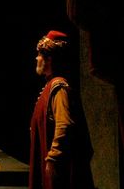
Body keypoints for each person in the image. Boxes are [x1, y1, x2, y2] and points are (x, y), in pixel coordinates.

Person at [29, 30, 93, 189]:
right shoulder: (50, 86)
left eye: (39, 54)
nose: (36, 58)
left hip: (57, 170)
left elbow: (64, 124)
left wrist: (53, 157)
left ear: (49, 58)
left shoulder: (59, 88)